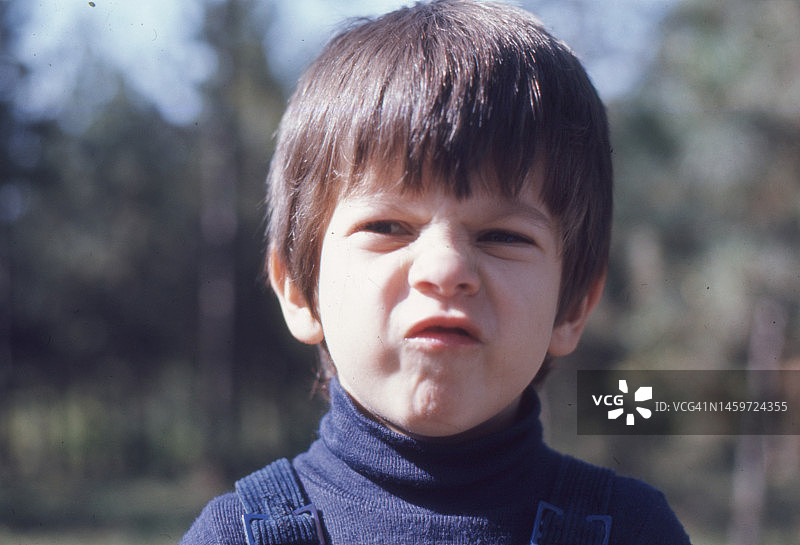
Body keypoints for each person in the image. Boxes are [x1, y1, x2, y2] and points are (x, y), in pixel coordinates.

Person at [181, 1, 692, 543]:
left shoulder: (632, 530)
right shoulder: (233, 534)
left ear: (572, 307)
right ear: (299, 291)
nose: (446, 269)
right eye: (388, 226)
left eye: (504, 236)